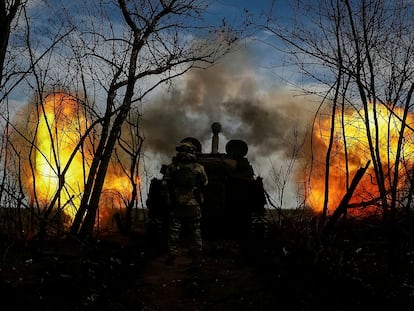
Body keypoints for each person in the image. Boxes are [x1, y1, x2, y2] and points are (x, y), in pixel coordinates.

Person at [162, 142, 208, 267]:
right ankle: (197, 258)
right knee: (195, 231)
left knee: (174, 231)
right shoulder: (198, 167)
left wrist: (170, 199)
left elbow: (165, 184)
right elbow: (204, 183)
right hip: (193, 204)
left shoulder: (172, 167)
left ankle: (172, 255)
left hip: (177, 203)